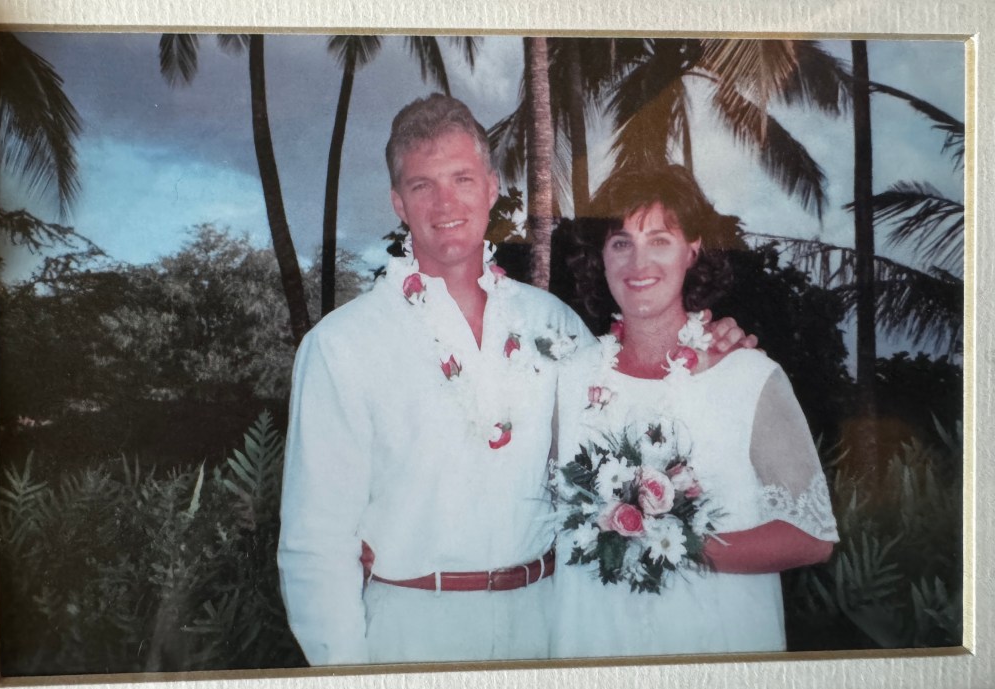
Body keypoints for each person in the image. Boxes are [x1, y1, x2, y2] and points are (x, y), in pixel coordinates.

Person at [277, 95, 754, 666]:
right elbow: (316, 544)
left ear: (491, 187)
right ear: (398, 203)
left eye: (462, 179)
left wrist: (707, 348)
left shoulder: (552, 323)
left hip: (546, 622)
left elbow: (637, 422)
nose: (445, 202)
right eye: (423, 185)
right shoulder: (342, 345)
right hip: (410, 632)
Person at [550, 165, 838, 658]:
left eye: (660, 240)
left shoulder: (749, 377)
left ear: (693, 249)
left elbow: (812, 537)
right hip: (592, 645)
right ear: (601, 256)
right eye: (620, 243)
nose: (639, 262)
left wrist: (671, 539)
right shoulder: (570, 378)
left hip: (716, 650)